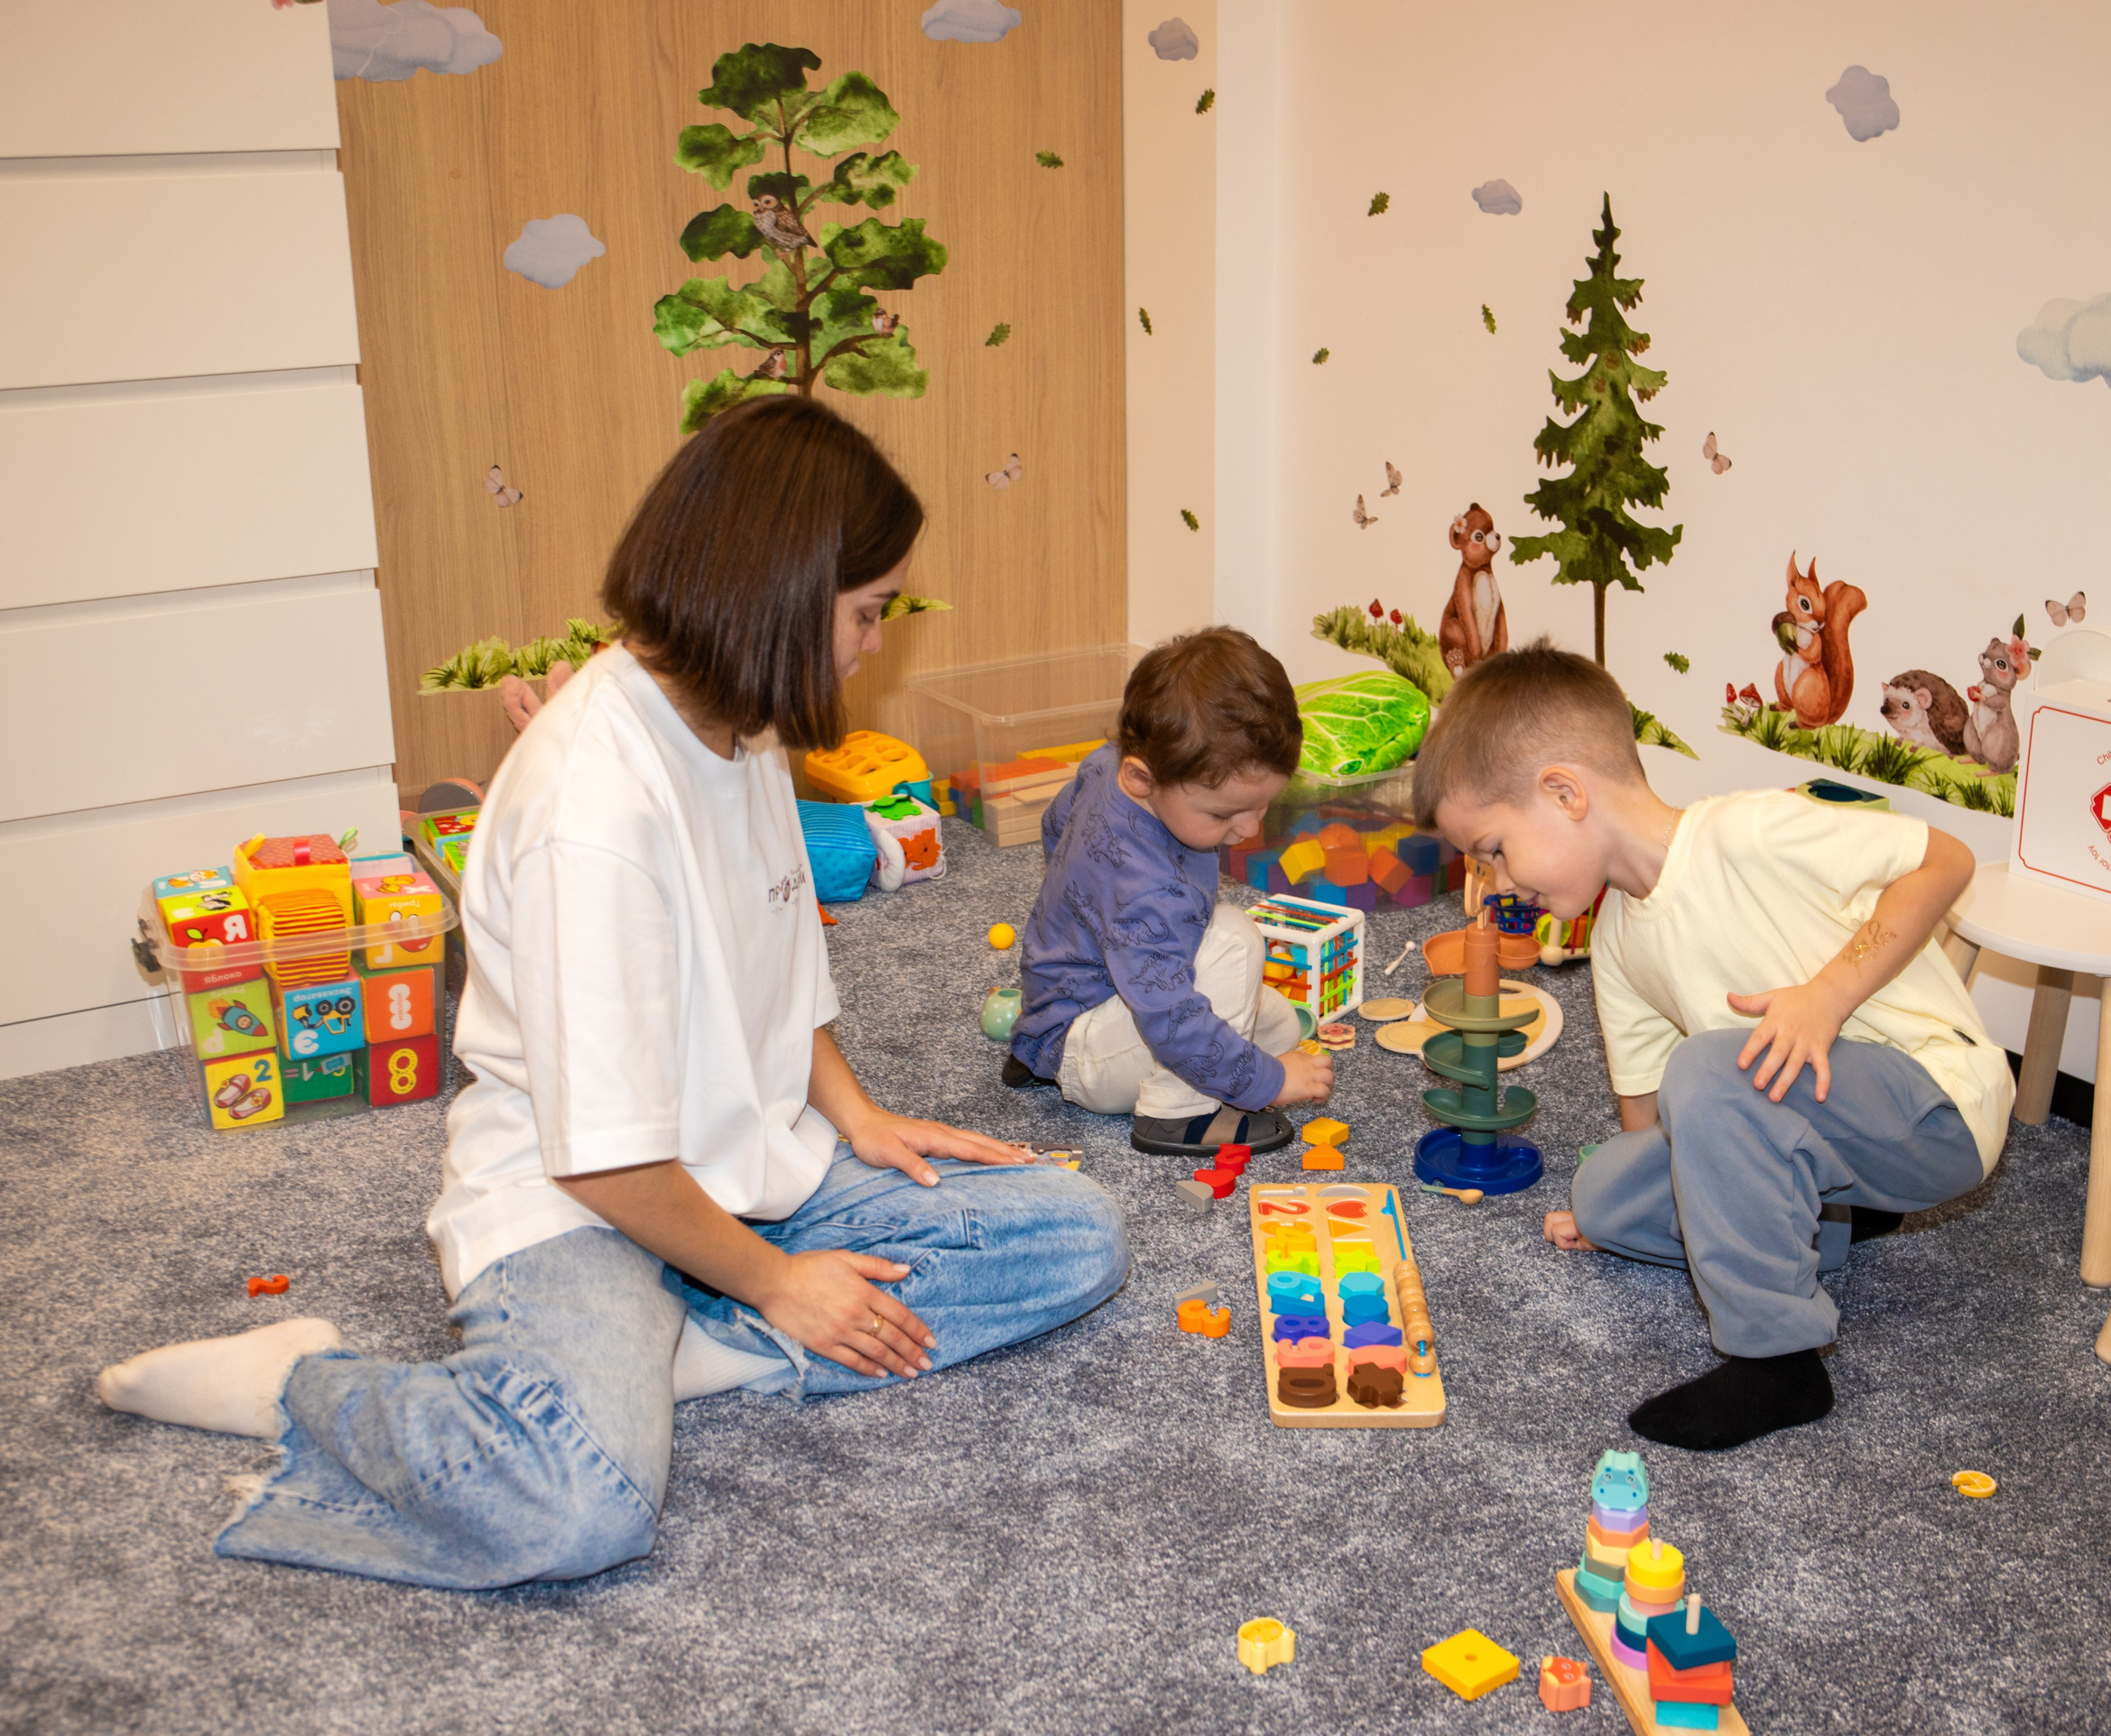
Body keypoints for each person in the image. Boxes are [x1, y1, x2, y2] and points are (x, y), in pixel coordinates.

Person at [97, 399, 1129, 1588]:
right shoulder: (594, 812)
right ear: (779, 598)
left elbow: (782, 960)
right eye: (864, 613)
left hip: (746, 1167)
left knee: (1069, 1235)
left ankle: (688, 1345)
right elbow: (604, 1161)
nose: (874, 644)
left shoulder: (739, 728)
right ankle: (302, 1383)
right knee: (575, 1508)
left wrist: (856, 1117)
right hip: (583, 1198)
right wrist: (784, 1281)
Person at [1413, 639, 2011, 1452]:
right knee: (1605, 1190)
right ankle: (1829, 1221)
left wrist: (1826, 998)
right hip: (1808, 1113)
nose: (1496, 882)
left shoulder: (1747, 830)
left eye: (1492, 850)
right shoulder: (1619, 935)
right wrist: (1631, 1201)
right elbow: (1647, 1114)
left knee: (1711, 1067)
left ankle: (1779, 1363)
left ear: (1564, 792)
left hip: (1933, 1104)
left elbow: (1946, 859)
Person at [1004, 628, 1334, 1158]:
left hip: (1062, 1008)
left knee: (1276, 1028)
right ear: (1142, 779)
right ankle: (1180, 1114)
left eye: (1262, 805)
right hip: (1087, 1049)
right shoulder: (1144, 890)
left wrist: (1087, 908)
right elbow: (1171, 1018)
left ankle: (1041, 1049)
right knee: (1233, 940)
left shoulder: (1107, 763)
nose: (1249, 829)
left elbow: (1056, 824)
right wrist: (1267, 1085)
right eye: (1224, 813)